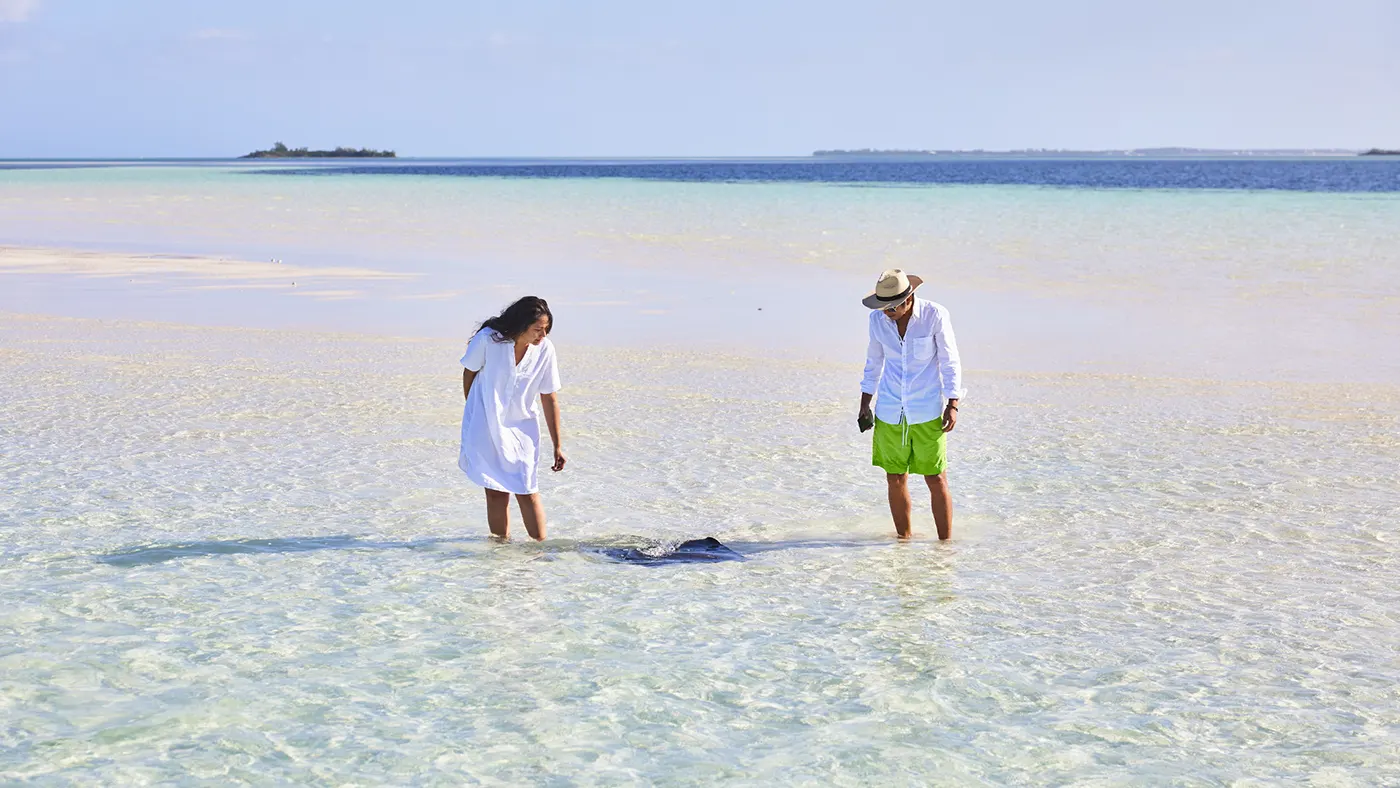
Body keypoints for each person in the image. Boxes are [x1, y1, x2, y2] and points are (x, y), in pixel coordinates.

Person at [858, 269, 964, 540]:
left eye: (892, 307)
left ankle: (945, 547)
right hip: (890, 408)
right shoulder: (877, 321)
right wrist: (864, 405)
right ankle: (903, 542)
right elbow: (873, 364)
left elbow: (950, 361)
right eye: (883, 307)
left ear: (909, 298)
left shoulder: (934, 315)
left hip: (927, 409)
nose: (887, 312)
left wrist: (953, 404)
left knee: (936, 478)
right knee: (894, 477)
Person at [459, 296, 565, 540]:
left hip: (522, 428)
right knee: (495, 491)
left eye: (546, 329)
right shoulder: (488, 339)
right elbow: (469, 372)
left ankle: (540, 550)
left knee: (527, 489)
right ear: (520, 325)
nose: (543, 336)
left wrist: (558, 444)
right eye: (538, 329)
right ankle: (500, 552)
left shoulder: (545, 351)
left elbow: (549, 397)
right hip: (485, 425)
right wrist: (474, 411)